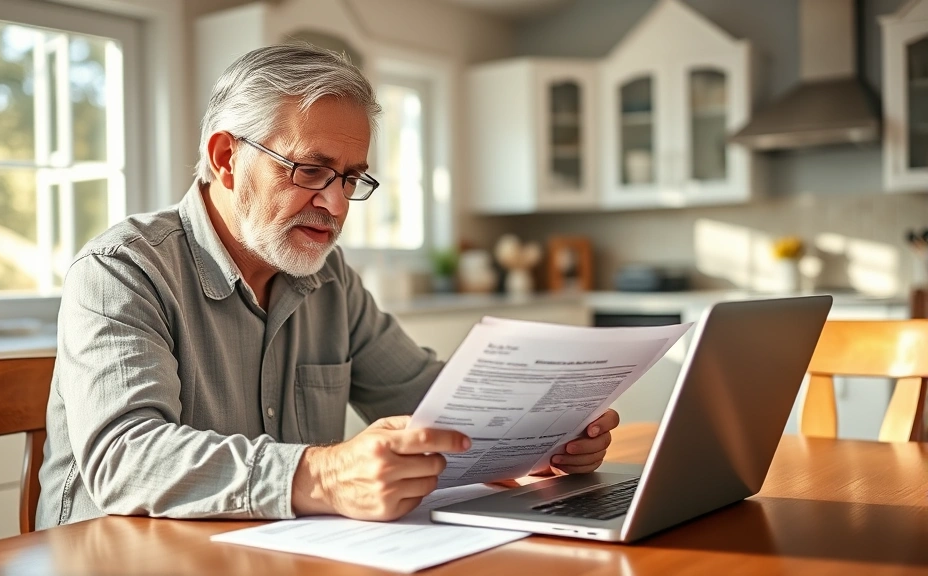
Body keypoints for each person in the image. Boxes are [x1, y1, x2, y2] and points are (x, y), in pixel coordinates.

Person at [36, 43, 619, 529]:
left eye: (350, 178)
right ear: (226, 157)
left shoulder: (328, 278)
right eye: (310, 170)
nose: (335, 204)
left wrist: (543, 434)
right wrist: (324, 473)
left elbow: (426, 400)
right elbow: (124, 459)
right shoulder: (122, 270)